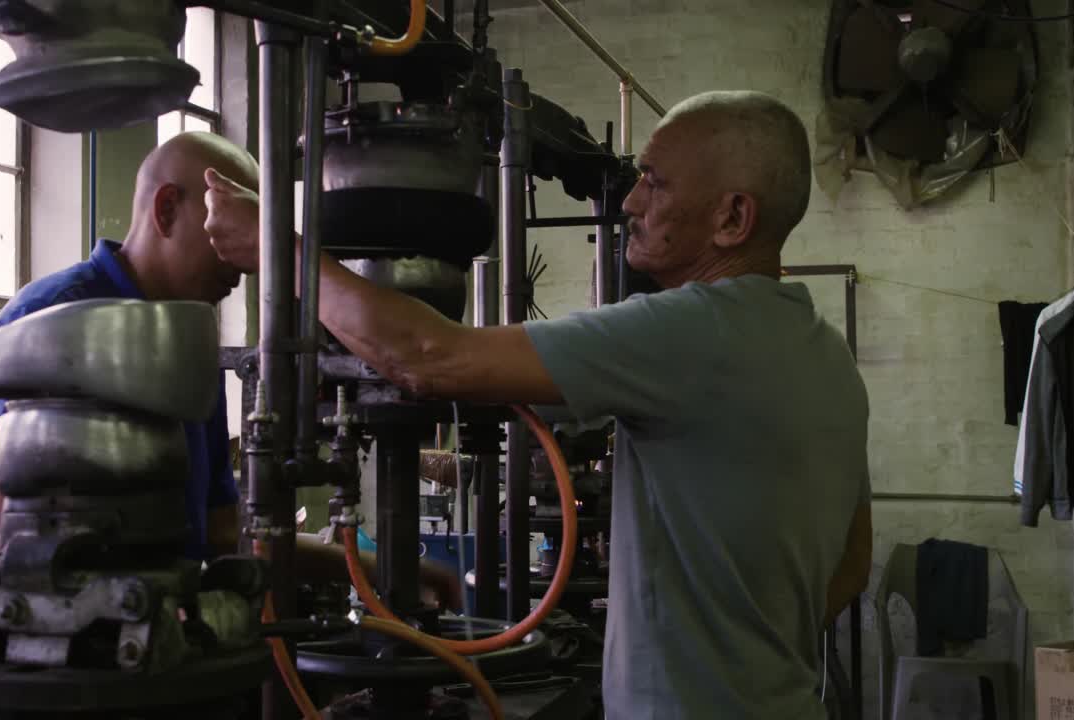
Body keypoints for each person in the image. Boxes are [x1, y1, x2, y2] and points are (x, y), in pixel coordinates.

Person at [205, 91, 873, 718]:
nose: (632, 201)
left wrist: (278, 248)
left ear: (733, 218)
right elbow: (850, 562)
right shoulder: (827, 357)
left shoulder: (694, 329)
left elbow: (431, 358)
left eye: (656, 183)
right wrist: (740, 645)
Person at [0, 132, 463, 608]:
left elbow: (225, 537)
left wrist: (389, 571)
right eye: (227, 227)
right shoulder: (46, 323)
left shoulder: (188, 345)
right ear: (166, 209)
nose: (245, 265)